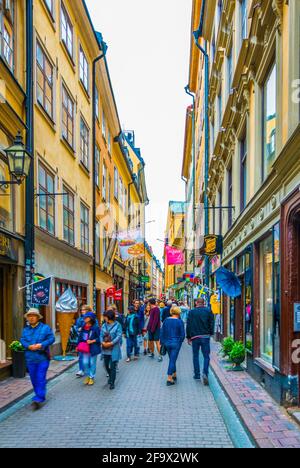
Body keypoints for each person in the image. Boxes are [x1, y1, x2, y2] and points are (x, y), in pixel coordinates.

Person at [20, 308, 55, 410]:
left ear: (37, 317)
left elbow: (51, 338)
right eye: (29, 316)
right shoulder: (25, 330)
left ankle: (39, 398)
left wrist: (41, 345)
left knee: (40, 377)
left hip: (42, 357)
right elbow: (22, 340)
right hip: (30, 358)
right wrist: (28, 346)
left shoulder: (45, 328)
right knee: (34, 379)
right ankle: (38, 394)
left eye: (33, 315)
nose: (31, 318)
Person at [186, 298, 215, 386]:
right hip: (205, 336)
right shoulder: (208, 311)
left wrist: (188, 337)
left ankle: (197, 374)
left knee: (195, 356)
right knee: (206, 356)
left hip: (195, 337)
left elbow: (189, 324)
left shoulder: (192, 312)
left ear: (196, 303)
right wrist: (210, 333)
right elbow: (211, 323)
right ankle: (205, 373)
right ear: (204, 303)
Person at [160, 306, 185, 386]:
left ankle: (174, 374)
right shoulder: (180, 322)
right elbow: (182, 334)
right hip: (176, 343)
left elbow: (162, 332)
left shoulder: (166, 320)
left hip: (167, 342)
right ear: (178, 312)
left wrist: (162, 342)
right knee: (172, 360)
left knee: (172, 358)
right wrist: (179, 342)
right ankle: (169, 378)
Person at [100, 310, 122, 390]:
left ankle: (112, 382)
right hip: (105, 349)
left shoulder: (118, 325)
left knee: (113, 366)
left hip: (114, 349)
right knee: (106, 365)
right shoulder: (104, 325)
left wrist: (111, 343)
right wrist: (102, 342)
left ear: (109, 317)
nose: (104, 318)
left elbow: (119, 336)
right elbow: (100, 335)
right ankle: (110, 376)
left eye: (105, 316)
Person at [77, 312, 101, 386]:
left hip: (93, 348)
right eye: (85, 317)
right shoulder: (83, 326)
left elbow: (100, 338)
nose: (85, 318)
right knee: (85, 362)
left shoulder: (95, 328)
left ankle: (91, 377)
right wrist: (78, 345)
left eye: (86, 317)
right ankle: (88, 375)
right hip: (84, 347)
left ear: (91, 319)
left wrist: (92, 341)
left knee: (92, 363)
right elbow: (80, 337)